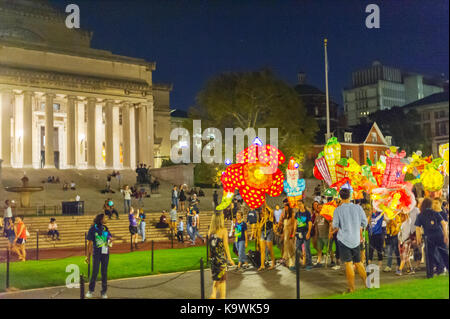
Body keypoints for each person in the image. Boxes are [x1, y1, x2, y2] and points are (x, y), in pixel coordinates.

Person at [332, 188, 368, 293]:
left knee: (348, 263)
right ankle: (367, 284)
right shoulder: (358, 208)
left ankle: (352, 288)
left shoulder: (338, 210)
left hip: (344, 239)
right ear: (350, 196)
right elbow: (365, 223)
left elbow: (335, 225)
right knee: (358, 262)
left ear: (340, 197)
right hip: (356, 239)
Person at [415, 198, 449, 277]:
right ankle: (443, 269)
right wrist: (445, 235)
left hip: (428, 237)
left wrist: (418, 239)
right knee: (444, 254)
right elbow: (444, 224)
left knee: (429, 256)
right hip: (439, 235)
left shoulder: (420, 215)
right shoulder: (435, 213)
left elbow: (417, 228)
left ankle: (430, 274)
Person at [208, 211, 235, 299]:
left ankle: (213, 294)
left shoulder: (210, 232)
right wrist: (230, 259)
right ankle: (221, 297)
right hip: (221, 259)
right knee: (222, 280)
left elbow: (210, 248)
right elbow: (226, 246)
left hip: (213, 259)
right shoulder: (223, 230)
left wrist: (210, 257)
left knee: (216, 278)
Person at [85, 213, 112, 299]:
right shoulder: (93, 229)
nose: (106, 219)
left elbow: (110, 239)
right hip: (96, 254)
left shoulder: (106, 228)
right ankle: (90, 290)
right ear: (101, 219)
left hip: (105, 254)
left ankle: (104, 292)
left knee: (104, 273)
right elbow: (89, 243)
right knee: (95, 272)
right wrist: (88, 256)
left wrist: (110, 241)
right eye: (105, 218)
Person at [295, 200, 313, 270]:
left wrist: (308, 232)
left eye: (300, 204)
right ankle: (299, 262)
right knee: (298, 248)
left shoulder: (307, 213)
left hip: (305, 232)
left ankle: (309, 263)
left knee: (306, 248)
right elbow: (296, 223)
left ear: (303, 204)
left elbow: (310, 223)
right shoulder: (297, 213)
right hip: (299, 232)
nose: (299, 205)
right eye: (298, 204)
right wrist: (294, 232)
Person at [258, 204, 275, 271]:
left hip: (269, 232)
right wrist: (262, 221)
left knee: (270, 249)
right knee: (262, 250)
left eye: (264, 211)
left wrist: (266, 205)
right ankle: (262, 265)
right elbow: (259, 227)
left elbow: (272, 211)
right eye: (262, 212)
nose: (263, 213)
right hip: (263, 233)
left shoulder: (270, 217)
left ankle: (273, 263)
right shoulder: (262, 218)